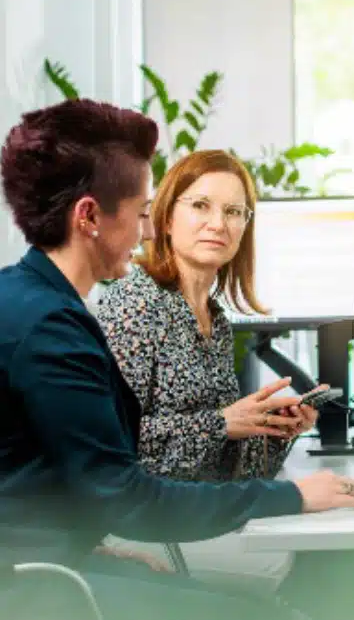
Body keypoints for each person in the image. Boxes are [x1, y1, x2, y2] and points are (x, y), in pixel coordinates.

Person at [0, 98, 354, 620]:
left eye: (234, 212)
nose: (146, 231)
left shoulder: (32, 302)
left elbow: (54, 474)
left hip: (56, 557)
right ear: (88, 217)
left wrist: (93, 546)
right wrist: (291, 496)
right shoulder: (52, 329)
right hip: (36, 584)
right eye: (141, 213)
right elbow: (126, 491)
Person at [95, 149, 320, 592]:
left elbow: (227, 469)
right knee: (310, 554)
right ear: (165, 218)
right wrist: (221, 423)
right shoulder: (134, 303)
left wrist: (273, 431)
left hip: (198, 510)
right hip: (143, 523)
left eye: (234, 212)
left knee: (325, 528)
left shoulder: (214, 319)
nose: (219, 223)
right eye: (201, 205)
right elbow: (110, 446)